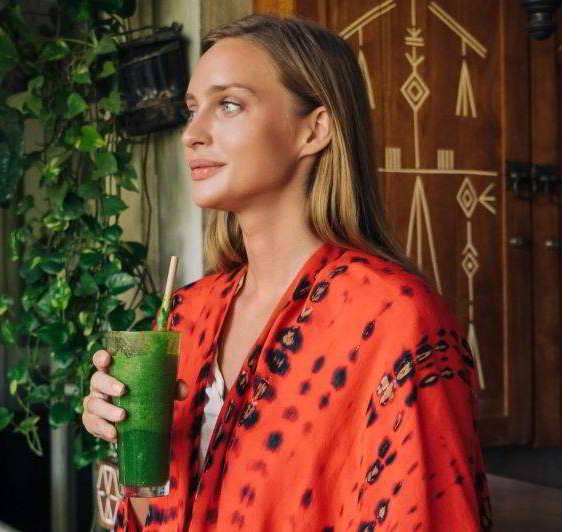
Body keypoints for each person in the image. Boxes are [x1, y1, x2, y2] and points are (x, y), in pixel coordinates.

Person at [81, 13, 492, 531]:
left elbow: (433, 515)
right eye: (192, 109)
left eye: (228, 104)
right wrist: (130, 438)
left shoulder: (393, 318)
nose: (192, 133)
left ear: (314, 128)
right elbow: (154, 514)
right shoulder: (188, 313)